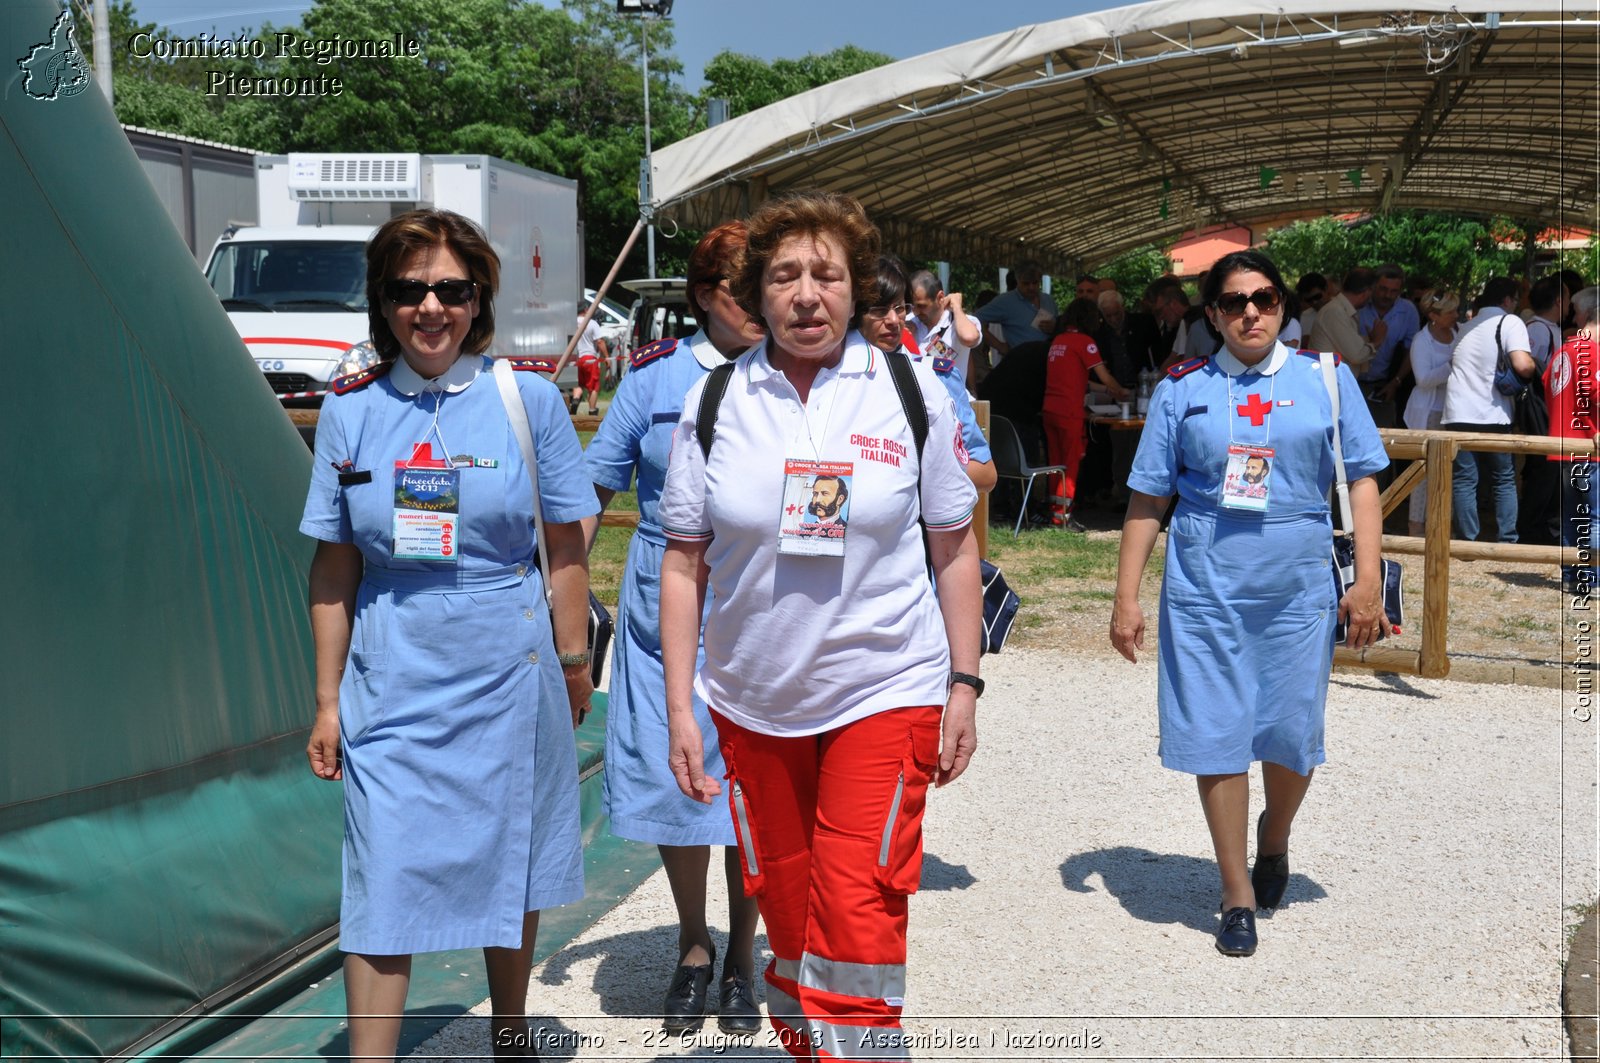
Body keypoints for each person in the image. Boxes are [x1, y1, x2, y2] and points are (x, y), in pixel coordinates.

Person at [658, 190, 982, 1061]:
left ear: (858, 287)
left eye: (827, 275)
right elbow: (683, 560)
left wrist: (964, 682)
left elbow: (954, 549)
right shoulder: (717, 401)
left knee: (856, 903)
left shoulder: (910, 390)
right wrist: (682, 708)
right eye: (786, 276)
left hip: (884, 687)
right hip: (752, 700)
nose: (807, 294)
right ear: (754, 293)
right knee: (791, 912)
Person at [301, 209, 598, 1060]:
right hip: (391, 666)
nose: (430, 308)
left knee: (512, 845)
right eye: (409, 290)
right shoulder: (349, 414)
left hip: (509, 659)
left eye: (451, 290)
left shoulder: (526, 400)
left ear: (479, 299)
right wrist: (327, 700)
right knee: (382, 866)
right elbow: (333, 568)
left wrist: (573, 656)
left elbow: (567, 545)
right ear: (382, 303)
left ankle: (511, 1033)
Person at [1110, 250, 1391, 959]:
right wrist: (1126, 595)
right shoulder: (1182, 390)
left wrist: (1366, 580)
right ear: (1212, 315)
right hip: (1205, 586)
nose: (1250, 313)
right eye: (1233, 302)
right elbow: (1149, 496)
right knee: (1218, 730)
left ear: (1284, 306)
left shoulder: (1324, 381)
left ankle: (1275, 836)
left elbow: (1360, 481)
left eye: (1264, 298)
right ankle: (1235, 893)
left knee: (1293, 732)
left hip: (1297, 585)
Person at [581, 222, 765, 1034]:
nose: (760, 302)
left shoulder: (791, 376)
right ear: (702, 298)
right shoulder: (653, 383)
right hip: (668, 600)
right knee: (679, 780)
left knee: (755, 781)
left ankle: (745, 948)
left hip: (761, 599)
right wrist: (565, 592)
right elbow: (593, 484)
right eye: (741, 288)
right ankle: (695, 941)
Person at [860, 256, 998, 492]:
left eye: (900, 308)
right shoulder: (825, 376)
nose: (894, 320)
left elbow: (985, 473)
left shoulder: (939, 376)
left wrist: (903, 469)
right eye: (879, 310)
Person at [1441, 277, 1537, 542]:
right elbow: (1523, 365)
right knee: (1504, 478)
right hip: (1493, 412)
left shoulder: (1466, 327)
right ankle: (1507, 539)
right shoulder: (1510, 322)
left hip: (1457, 412)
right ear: (1507, 300)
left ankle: (1466, 541)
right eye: (1516, 300)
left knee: (1464, 480)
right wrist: (1535, 366)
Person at [1042, 297, 1130, 529]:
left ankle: (1054, 513)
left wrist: (1112, 390)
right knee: (1070, 464)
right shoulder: (1085, 342)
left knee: (1055, 463)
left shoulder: (1058, 341)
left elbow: (1081, 380)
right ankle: (1063, 517)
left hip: (1050, 409)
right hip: (1070, 412)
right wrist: (1121, 391)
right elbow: (1103, 376)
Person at [1544, 286, 1600, 594]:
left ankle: (1572, 574)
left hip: (1562, 444)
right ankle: (1592, 578)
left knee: (1571, 516)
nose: (1572, 316)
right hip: (1588, 448)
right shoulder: (1593, 350)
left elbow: (1548, 388)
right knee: (1594, 518)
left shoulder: (1564, 350)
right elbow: (1597, 393)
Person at [1400, 291, 1461, 535]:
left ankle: (1441, 526)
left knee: (1448, 472)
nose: (1456, 315)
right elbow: (1423, 379)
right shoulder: (1421, 341)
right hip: (1427, 412)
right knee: (1422, 472)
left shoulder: (1459, 332)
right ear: (1434, 315)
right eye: (1450, 312)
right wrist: (1453, 365)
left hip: (1452, 410)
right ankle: (1416, 525)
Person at [976, 258, 1058, 354]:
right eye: (1026, 283)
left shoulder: (1049, 300)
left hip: (1049, 360)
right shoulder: (1005, 301)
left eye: (1035, 282)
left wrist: (1055, 328)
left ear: (1040, 280)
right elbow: (975, 320)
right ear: (1018, 280)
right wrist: (1000, 346)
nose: (1031, 287)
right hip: (1021, 363)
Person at [571, 307, 609, 415]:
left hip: (577, 359)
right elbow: (600, 341)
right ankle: (592, 410)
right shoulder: (592, 323)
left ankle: (576, 399)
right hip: (590, 358)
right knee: (593, 387)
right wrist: (606, 357)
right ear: (585, 310)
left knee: (579, 384)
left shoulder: (572, 323)